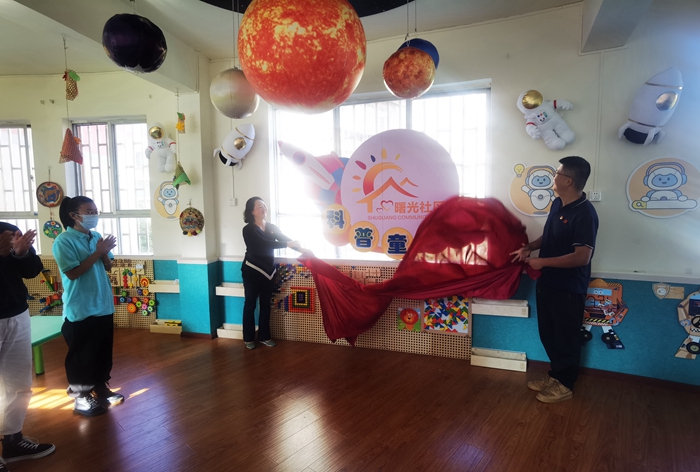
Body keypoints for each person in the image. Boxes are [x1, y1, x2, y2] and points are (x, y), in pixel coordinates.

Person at [511, 156, 599, 403]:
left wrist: (543, 262)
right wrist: (529, 247)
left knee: (566, 337)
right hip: (548, 282)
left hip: (568, 288)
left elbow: (582, 257)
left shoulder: (585, 214)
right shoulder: (557, 204)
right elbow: (548, 236)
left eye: (557, 173)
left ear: (568, 180)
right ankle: (556, 376)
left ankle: (565, 385)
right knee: (549, 334)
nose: (554, 177)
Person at [52, 196, 124, 416]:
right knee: (82, 355)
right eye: (89, 212)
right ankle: (81, 397)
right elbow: (73, 273)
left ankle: (100, 387)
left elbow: (108, 266)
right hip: (81, 307)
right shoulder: (63, 241)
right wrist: (98, 253)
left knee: (102, 350)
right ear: (74, 215)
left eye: (95, 211)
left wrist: (104, 254)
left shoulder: (96, 236)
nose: (94, 216)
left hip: (102, 304)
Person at [0, 223, 55, 469]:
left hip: (17, 314)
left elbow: (32, 271)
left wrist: (21, 253)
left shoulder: (7, 230)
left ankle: (12, 440)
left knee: (19, 384)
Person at [241, 197, 302, 350]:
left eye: (264, 205)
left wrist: (301, 249)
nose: (263, 208)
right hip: (252, 271)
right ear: (251, 211)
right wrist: (287, 244)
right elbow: (263, 244)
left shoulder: (271, 227)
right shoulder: (248, 229)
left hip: (268, 272)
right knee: (250, 305)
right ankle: (248, 338)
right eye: (259, 206)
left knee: (265, 305)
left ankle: (264, 336)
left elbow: (284, 239)